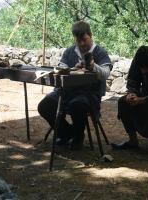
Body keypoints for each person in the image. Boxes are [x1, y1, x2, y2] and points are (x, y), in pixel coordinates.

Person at [38, 21, 112, 150]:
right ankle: (67, 133)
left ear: (91, 35)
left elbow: (105, 74)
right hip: (66, 92)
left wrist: (93, 67)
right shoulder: (69, 51)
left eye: (85, 39)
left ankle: (79, 137)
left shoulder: (100, 53)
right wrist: (73, 69)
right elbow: (61, 71)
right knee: (44, 106)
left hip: (89, 94)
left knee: (76, 105)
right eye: (79, 41)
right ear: (74, 39)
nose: (82, 44)